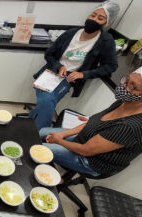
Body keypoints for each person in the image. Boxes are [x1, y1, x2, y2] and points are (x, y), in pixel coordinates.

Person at [30, 1, 120, 131]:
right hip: (52, 71)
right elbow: (49, 54)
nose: (94, 19)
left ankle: (38, 131)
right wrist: (59, 66)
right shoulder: (71, 33)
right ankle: (38, 126)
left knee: (47, 101)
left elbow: (111, 66)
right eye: (93, 15)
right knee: (46, 101)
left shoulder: (106, 40)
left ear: (107, 23)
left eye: (100, 18)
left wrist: (83, 74)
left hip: (69, 77)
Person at [39, 67, 142, 177]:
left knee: (39, 149)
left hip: (92, 161)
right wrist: (63, 134)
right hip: (83, 140)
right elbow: (94, 122)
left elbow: (85, 151)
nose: (124, 86)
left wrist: (59, 141)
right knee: (42, 132)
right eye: (126, 80)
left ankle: (56, 177)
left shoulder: (130, 126)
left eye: (132, 86)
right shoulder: (124, 102)